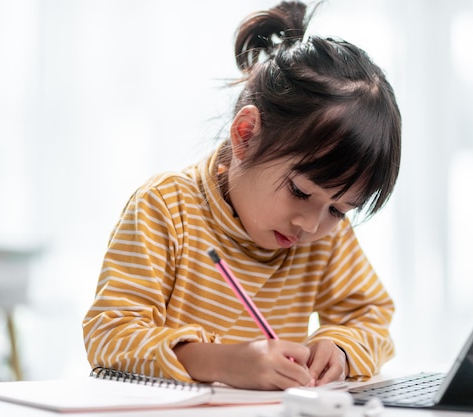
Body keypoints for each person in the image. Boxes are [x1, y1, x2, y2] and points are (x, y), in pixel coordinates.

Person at [83, 0, 401, 391]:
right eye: (299, 191)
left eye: (339, 209)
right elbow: (109, 335)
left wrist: (341, 348)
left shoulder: (323, 236)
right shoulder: (165, 208)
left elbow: (371, 314)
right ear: (246, 134)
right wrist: (223, 363)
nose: (310, 224)